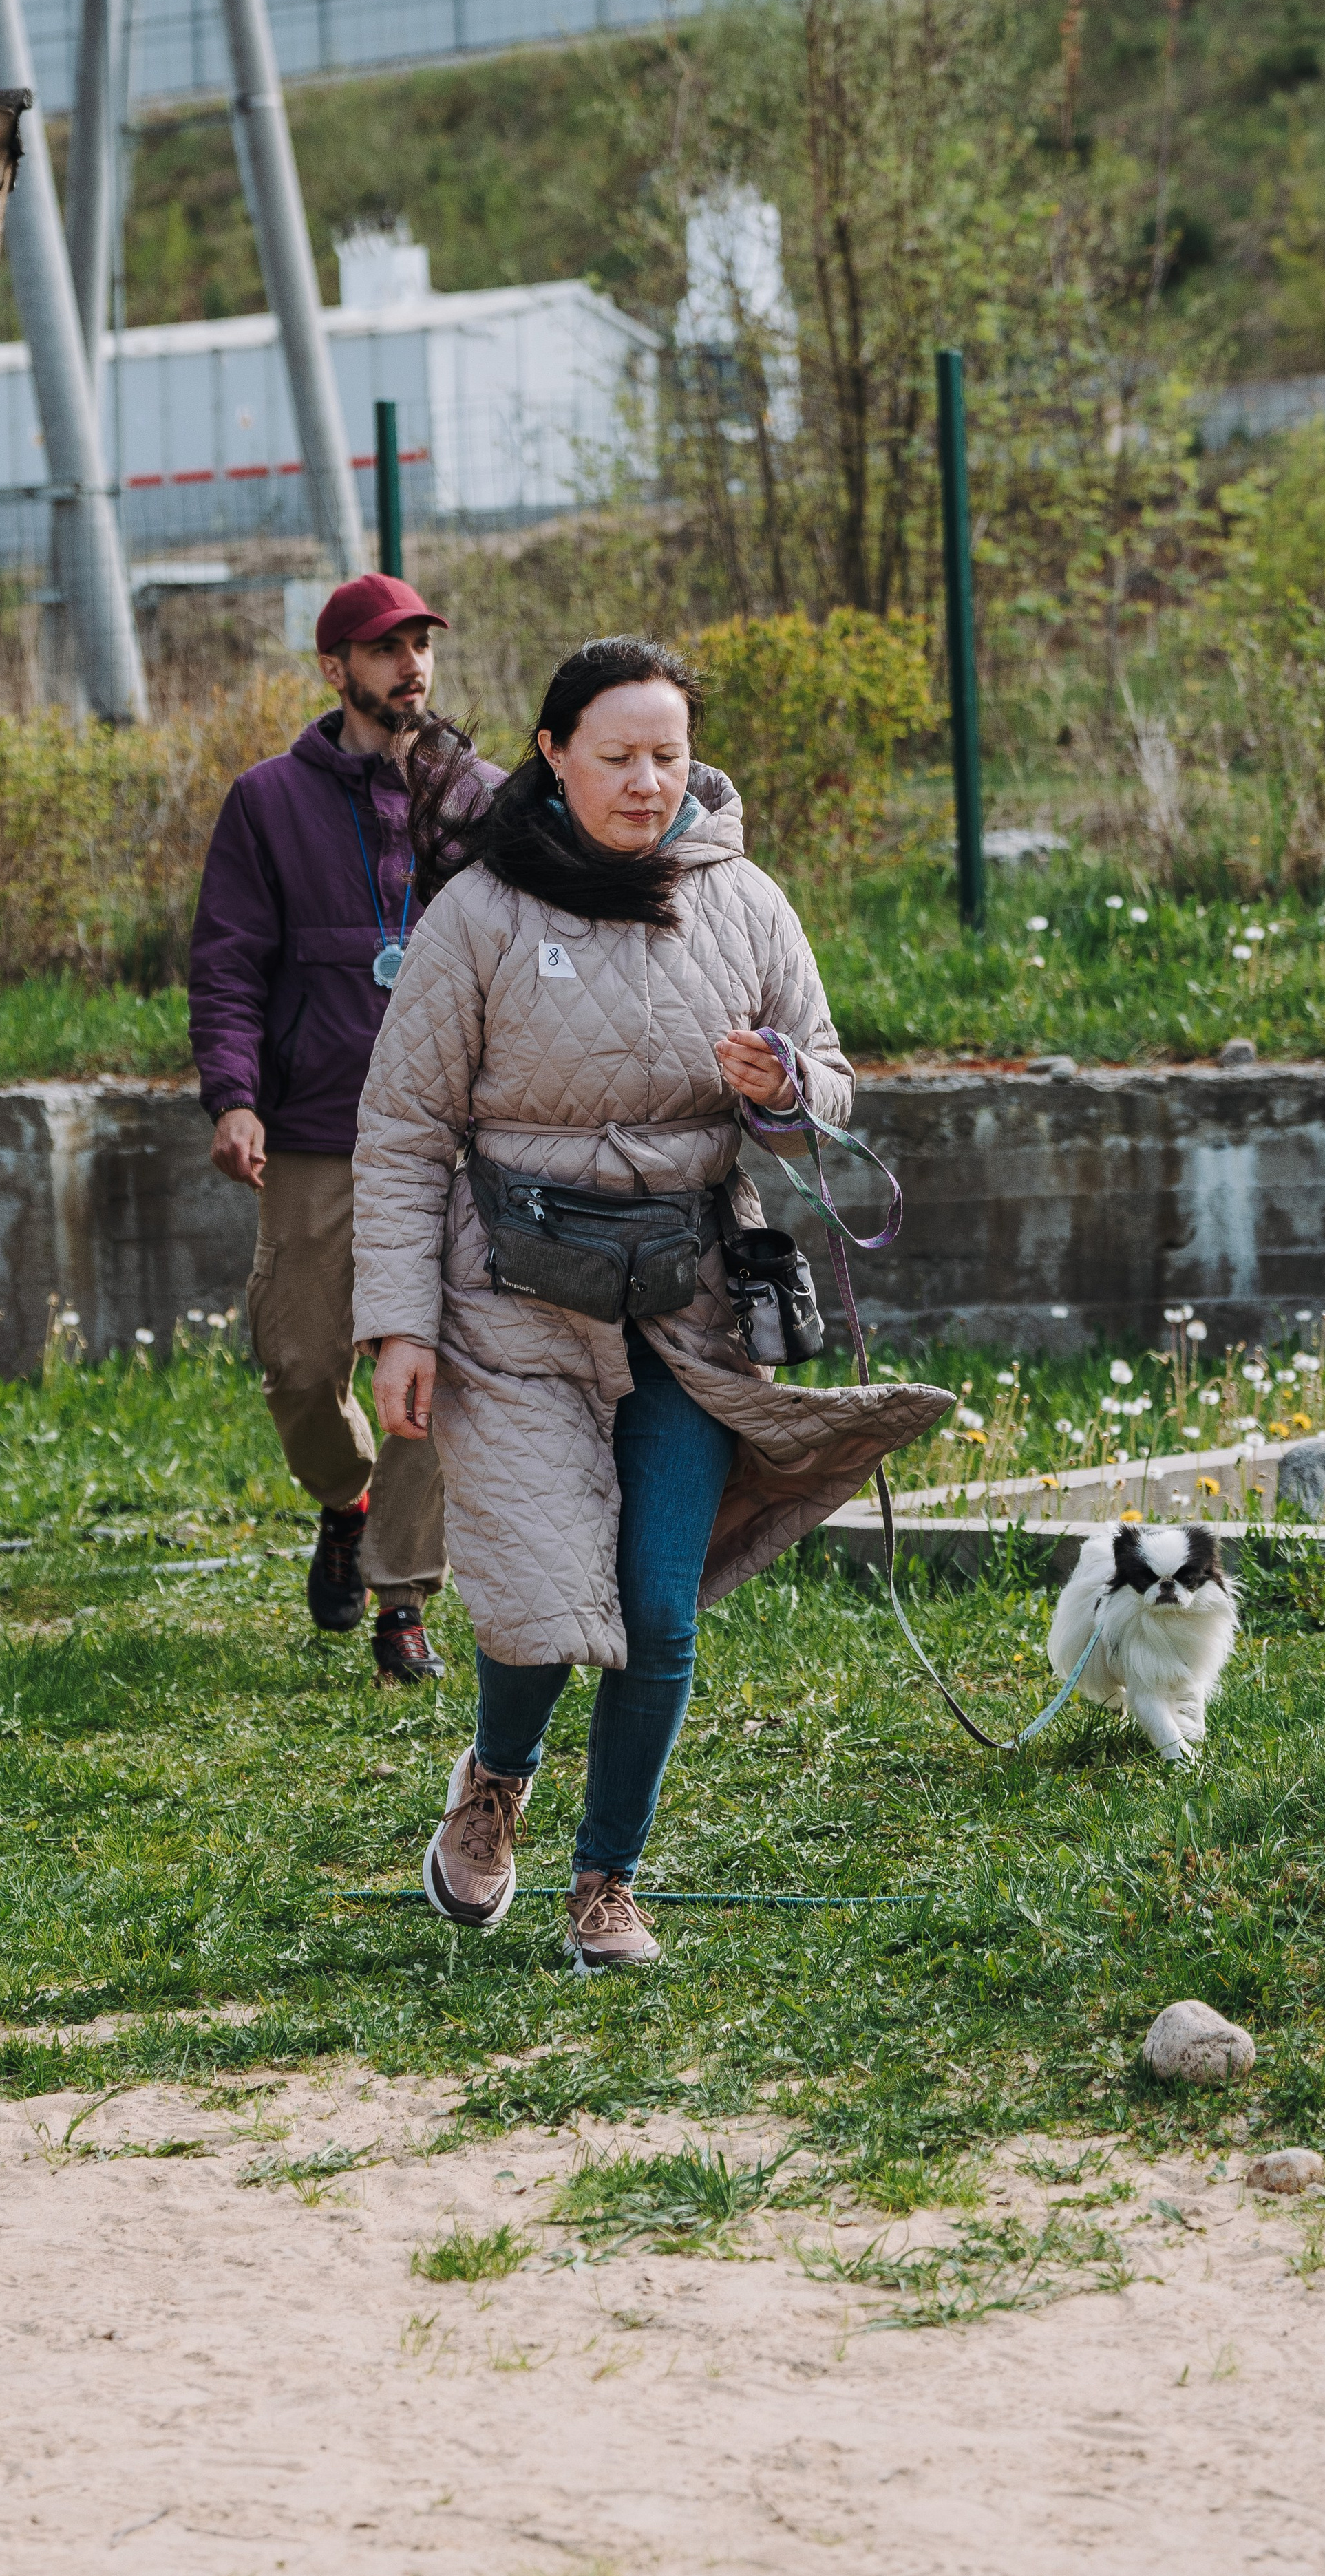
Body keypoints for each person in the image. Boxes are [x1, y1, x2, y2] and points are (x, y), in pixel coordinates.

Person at [351, 636, 950, 1970]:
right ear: (552, 753)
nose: (644, 780)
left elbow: (829, 1083)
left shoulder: (746, 900)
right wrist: (398, 1323)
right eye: (616, 755)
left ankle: (605, 1879)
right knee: (540, 1597)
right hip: (509, 1305)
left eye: (667, 755)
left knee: (656, 1609)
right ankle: (494, 1780)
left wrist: (784, 1084)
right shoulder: (479, 914)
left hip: (687, 1305)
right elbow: (400, 1131)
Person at [190, 574, 496, 1685]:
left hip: (452, 1132)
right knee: (296, 1361)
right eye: (385, 647)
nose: (412, 663)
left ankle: (402, 1596)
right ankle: (343, 1499)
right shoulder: (266, 801)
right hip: (318, 1125)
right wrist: (234, 1094)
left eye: (421, 644)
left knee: (427, 1366)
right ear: (335, 669)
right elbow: (229, 961)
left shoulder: (478, 798)